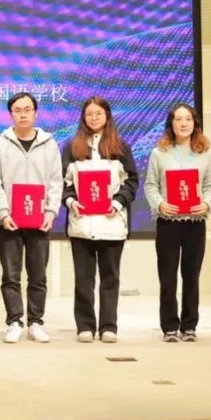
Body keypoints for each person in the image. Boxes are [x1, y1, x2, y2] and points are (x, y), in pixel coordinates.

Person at [0, 91, 63, 344]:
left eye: (27, 109)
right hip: (9, 220)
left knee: (38, 275)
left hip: (40, 220)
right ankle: (14, 321)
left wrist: (51, 212)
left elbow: (56, 181)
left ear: (35, 113)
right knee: (11, 274)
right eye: (18, 110)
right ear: (11, 114)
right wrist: (3, 213)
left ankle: (36, 322)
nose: (23, 114)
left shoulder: (49, 144)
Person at [61, 96, 138, 343]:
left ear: (107, 116)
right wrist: (71, 202)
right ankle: (85, 325)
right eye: (89, 114)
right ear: (83, 118)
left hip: (111, 223)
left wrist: (117, 203)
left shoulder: (120, 147)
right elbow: (63, 183)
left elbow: (131, 182)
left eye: (98, 114)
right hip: (81, 224)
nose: (93, 118)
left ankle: (108, 326)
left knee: (110, 278)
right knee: (83, 279)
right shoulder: (71, 147)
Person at [144, 103, 211, 343]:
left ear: (195, 123)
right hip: (168, 222)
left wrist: (206, 204)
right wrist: (159, 204)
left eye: (188, 119)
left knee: (191, 276)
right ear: (171, 124)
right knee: (167, 277)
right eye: (178, 119)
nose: (184, 123)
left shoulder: (205, 153)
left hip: (195, 222)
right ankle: (169, 327)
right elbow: (150, 185)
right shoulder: (159, 153)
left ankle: (189, 326)